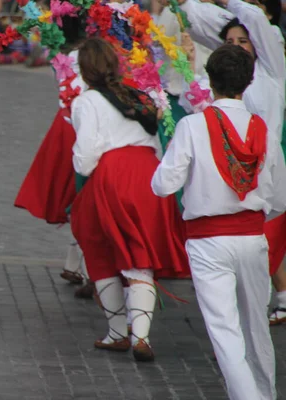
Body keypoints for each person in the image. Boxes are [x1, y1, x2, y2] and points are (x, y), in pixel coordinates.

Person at [152, 44, 286, 400]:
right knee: (257, 326)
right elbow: (280, 198)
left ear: (210, 81)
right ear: (249, 80)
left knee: (226, 332)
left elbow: (163, 184)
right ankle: (265, 394)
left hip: (208, 241)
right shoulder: (264, 130)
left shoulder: (193, 126)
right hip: (253, 236)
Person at [70, 37, 189, 362]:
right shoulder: (140, 96)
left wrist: (79, 162)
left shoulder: (87, 101)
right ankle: (142, 337)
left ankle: (117, 332)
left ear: (84, 68)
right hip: (148, 175)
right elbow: (159, 143)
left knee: (98, 248)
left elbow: (86, 158)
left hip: (113, 175)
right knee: (139, 255)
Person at [173, 0, 286, 326]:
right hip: (226, 178)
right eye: (229, 42)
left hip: (264, 174)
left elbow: (252, 16)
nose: (236, 47)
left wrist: (227, 0)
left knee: (265, 249)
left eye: (244, 41)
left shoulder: (271, 72)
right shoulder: (219, 84)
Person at [14, 16, 94, 298]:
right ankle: (87, 269)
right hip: (84, 127)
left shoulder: (62, 57)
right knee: (85, 196)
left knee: (76, 195)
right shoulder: (90, 57)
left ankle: (76, 264)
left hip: (65, 127)